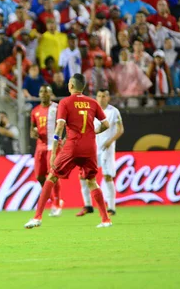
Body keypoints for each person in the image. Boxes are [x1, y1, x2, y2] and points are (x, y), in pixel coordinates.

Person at [24, 73, 112, 229]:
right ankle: (105, 220)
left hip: (72, 147)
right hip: (90, 148)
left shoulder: (65, 102)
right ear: (83, 87)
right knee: (92, 181)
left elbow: (59, 127)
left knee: (51, 176)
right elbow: (106, 125)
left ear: (70, 86)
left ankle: (37, 217)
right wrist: (93, 132)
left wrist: (55, 150)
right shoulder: (92, 103)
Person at [77, 89, 123, 217]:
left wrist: (110, 141)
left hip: (107, 149)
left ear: (108, 98)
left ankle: (111, 207)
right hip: (92, 148)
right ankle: (88, 205)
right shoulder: (91, 110)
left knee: (107, 176)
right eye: (99, 96)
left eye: (104, 96)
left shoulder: (113, 111)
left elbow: (120, 130)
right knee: (83, 176)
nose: (101, 98)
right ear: (96, 97)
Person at [30, 85, 63, 216]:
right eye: (41, 92)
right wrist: (33, 133)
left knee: (52, 175)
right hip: (40, 146)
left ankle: (57, 203)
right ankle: (52, 198)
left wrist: (65, 137)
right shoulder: (35, 111)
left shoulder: (57, 108)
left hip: (54, 146)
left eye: (46, 92)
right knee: (39, 176)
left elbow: (66, 123)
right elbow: (32, 129)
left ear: (51, 94)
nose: (43, 94)